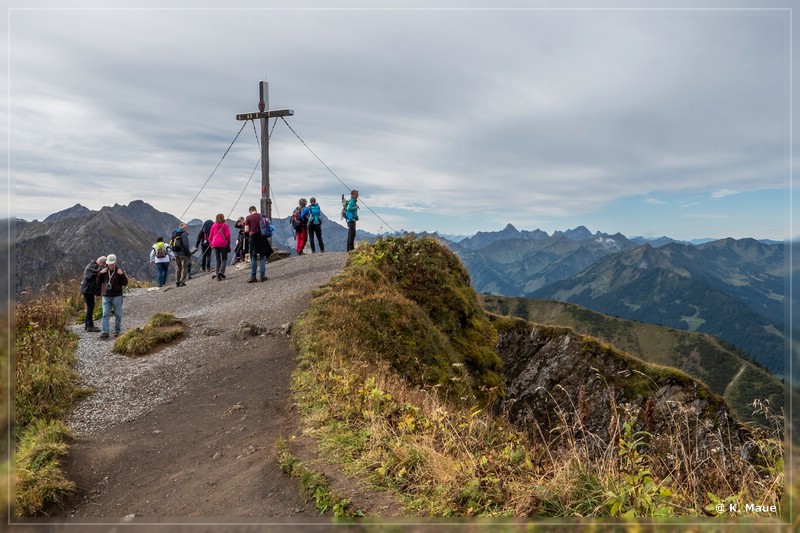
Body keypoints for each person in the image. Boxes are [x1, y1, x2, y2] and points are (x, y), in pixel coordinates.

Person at [96, 254, 128, 339]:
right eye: (109, 264)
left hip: (117, 296)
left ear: (115, 262)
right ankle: (105, 332)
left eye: (112, 264)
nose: (111, 265)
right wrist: (100, 274)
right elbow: (98, 282)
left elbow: (125, 283)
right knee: (105, 314)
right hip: (106, 296)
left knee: (118, 314)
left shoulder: (119, 271)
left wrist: (122, 275)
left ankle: (117, 330)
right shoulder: (104, 271)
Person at [244, 205, 273, 282]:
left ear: (250, 211)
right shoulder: (262, 216)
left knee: (253, 256)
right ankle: (262, 276)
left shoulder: (248, 218)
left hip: (253, 237)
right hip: (262, 237)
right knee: (262, 256)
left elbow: (246, 230)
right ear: (255, 210)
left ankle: (253, 276)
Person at [79, 255, 106, 332]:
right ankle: (89, 326)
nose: (103, 266)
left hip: (88, 290)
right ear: (101, 262)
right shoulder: (92, 266)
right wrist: (101, 271)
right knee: (90, 307)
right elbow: (89, 276)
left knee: (90, 307)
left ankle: (87, 325)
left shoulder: (93, 266)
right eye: (103, 264)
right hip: (87, 290)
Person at [208, 213, 231, 280]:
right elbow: (228, 235)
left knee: (218, 259)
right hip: (223, 243)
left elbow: (210, 237)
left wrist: (211, 243)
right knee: (224, 258)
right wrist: (228, 242)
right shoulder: (225, 225)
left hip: (214, 244)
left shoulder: (213, 226)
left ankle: (217, 275)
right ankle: (221, 272)